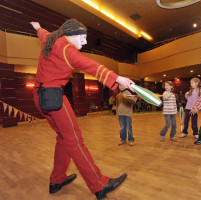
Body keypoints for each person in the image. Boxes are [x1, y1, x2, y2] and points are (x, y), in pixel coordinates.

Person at [30, 19, 133, 200]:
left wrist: (38, 27)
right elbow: (91, 65)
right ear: (70, 35)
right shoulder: (67, 50)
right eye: (82, 37)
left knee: (63, 138)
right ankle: (99, 184)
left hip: (39, 97)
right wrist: (117, 78)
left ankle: (56, 180)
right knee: (75, 140)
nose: (85, 42)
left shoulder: (51, 39)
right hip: (54, 100)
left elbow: (43, 33)